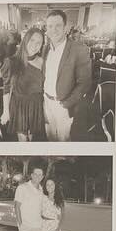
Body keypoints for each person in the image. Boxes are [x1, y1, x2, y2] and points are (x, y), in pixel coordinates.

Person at [41, 8, 94, 144]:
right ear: (46, 29)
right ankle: (53, 164)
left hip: (63, 104)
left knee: (64, 141)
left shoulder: (78, 49)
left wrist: (67, 103)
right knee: (50, 137)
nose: (54, 30)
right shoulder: (45, 48)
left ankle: (64, 163)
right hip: (46, 102)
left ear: (66, 27)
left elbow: (85, 83)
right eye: (50, 26)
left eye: (58, 25)